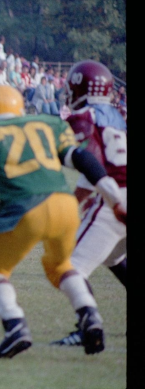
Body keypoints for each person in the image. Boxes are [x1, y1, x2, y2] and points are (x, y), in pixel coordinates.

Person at [0, 85, 125, 358]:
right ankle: (89, 315)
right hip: (65, 206)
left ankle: (15, 325)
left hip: (24, 209)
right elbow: (81, 158)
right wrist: (113, 197)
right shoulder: (48, 123)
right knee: (62, 266)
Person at [50, 60, 127, 347]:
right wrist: (77, 201)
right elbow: (95, 166)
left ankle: (89, 324)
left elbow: (91, 163)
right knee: (113, 257)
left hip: (116, 196)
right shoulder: (117, 117)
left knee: (68, 267)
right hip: (121, 188)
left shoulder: (83, 118)